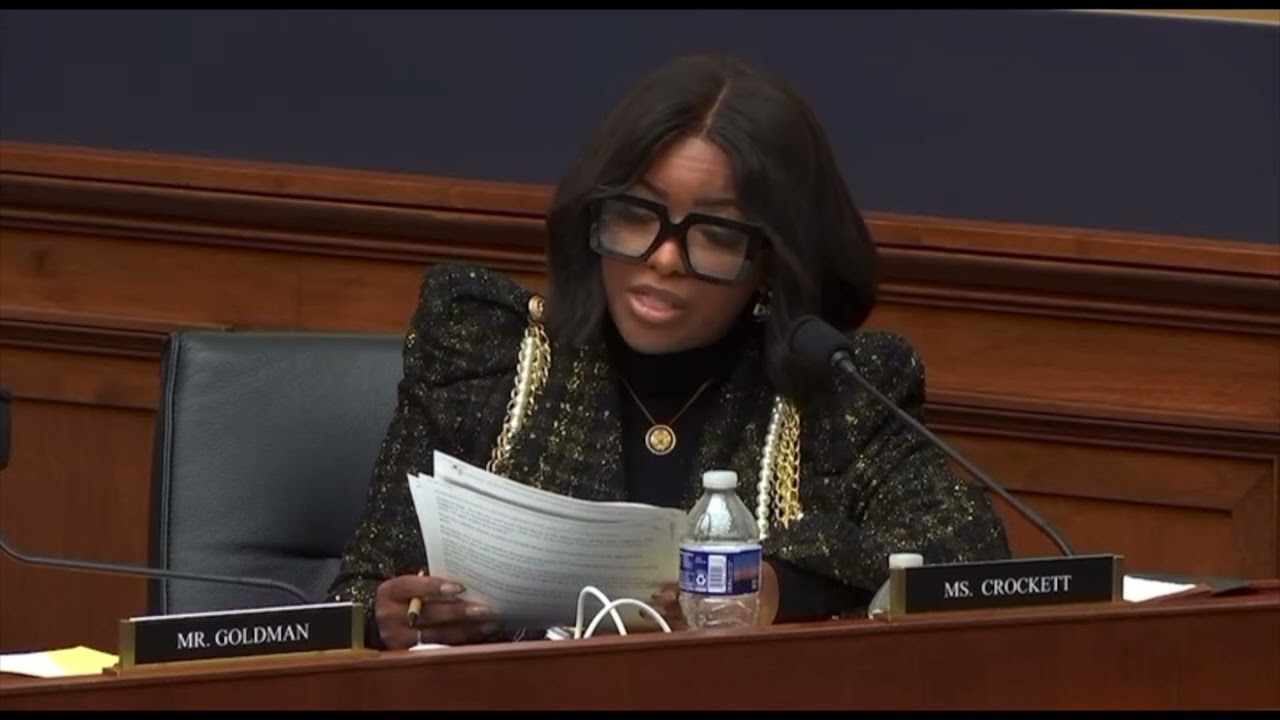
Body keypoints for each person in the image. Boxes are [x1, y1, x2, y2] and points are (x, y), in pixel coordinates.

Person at [327, 52, 1012, 650]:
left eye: (713, 233)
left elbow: (966, 547)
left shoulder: (834, 395)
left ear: (771, 262)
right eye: (637, 215)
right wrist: (387, 619)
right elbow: (355, 595)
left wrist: (773, 588)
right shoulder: (489, 358)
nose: (663, 259)